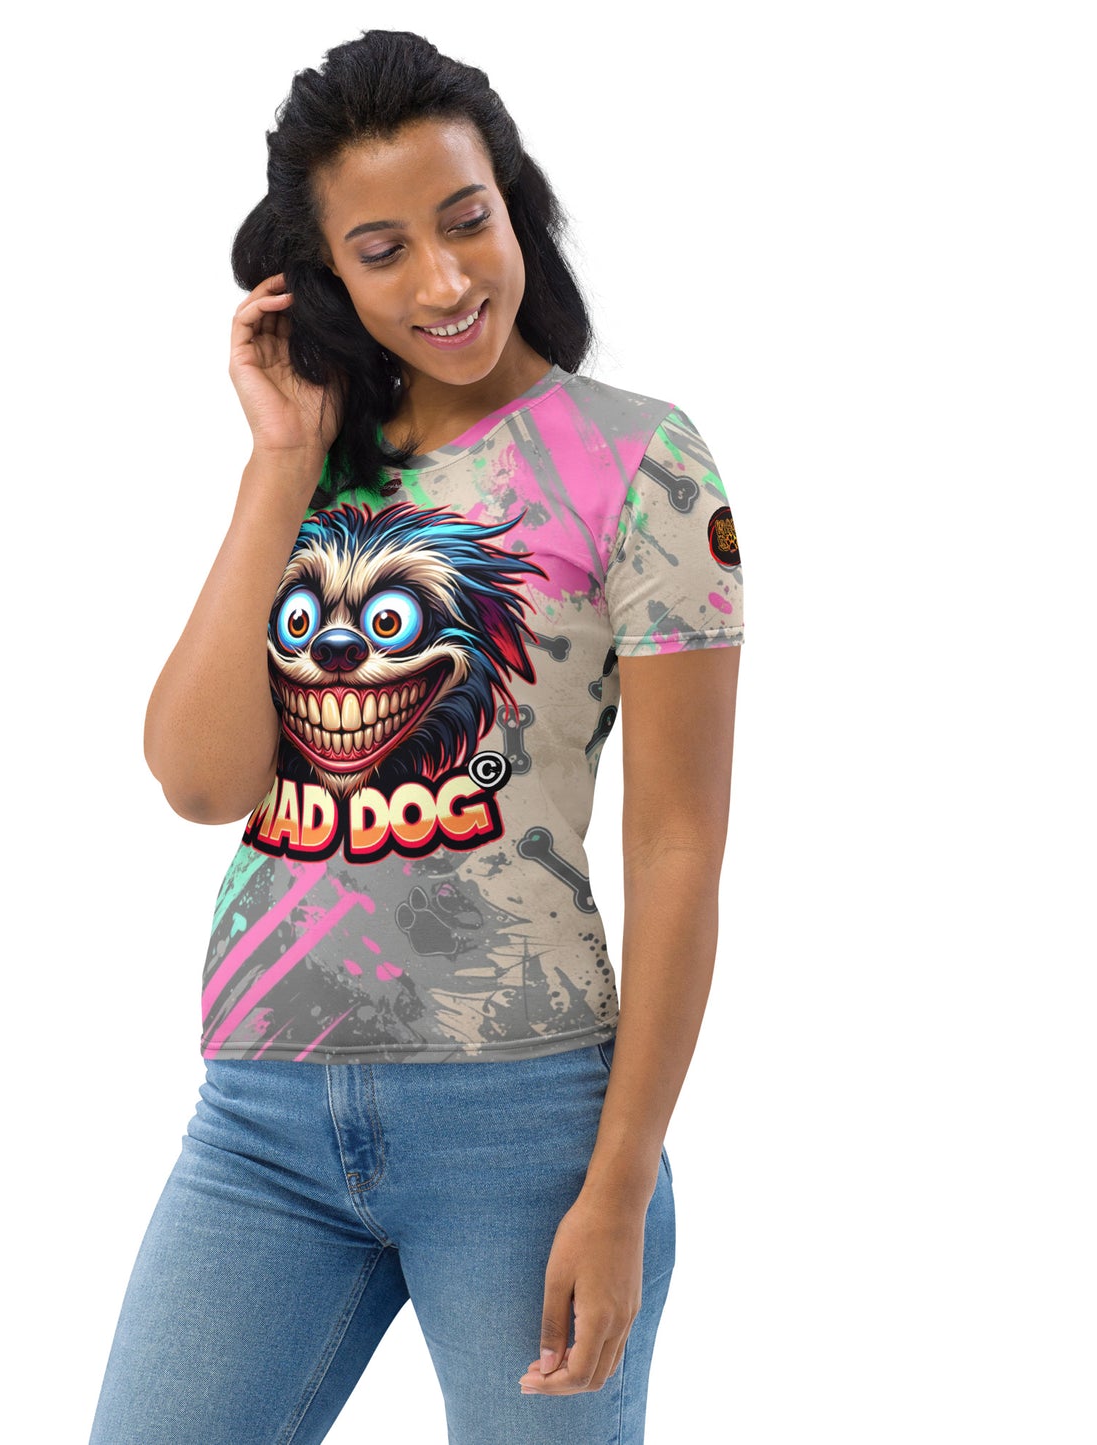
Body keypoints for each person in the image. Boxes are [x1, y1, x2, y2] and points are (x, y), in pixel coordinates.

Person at [88, 29, 743, 1445]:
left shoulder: (640, 461)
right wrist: (278, 461)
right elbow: (199, 779)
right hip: (260, 1111)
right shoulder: (315, 465)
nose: (444, 282)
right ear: (327, 275)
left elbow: (679, 845)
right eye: (382, 252)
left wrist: (619, 1179)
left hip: (525, 1122)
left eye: (466, 221)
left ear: (515, 205)